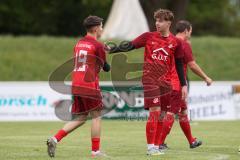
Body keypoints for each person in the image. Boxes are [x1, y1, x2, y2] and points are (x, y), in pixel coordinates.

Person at [108, 9, 187, 155]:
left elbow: (179, 64)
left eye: (161, 20)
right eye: (156, 20)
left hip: (166, 82)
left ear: (169, 23)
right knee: (155, 111)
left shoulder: (176, 42)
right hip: (150, 79)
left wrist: (183, 85)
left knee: (163, 114)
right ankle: (151, 147)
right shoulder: (148, 37)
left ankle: (156, 146)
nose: (157, 23)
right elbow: (130, 45)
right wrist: (112, 49)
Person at [46, 15, 110, 158]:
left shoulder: (79, 43)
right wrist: (105, 53)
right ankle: (95, 152)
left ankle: (55, 139)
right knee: (96, 117)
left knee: (81, 117)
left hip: (77, 84)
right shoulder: (98, 45)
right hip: (89, 85)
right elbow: (106, 67)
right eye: (101, 26)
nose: (102, 29)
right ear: (95, 28)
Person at [160, 20, 212, 148]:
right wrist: (206, 78)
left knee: (182, 111)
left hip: (163, 81)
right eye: (190, 31)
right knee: (171, 112)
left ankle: (191, 141)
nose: (190, 34)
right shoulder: (183, 44)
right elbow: (192, 64)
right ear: (186, 31)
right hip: (176, 83)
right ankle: (158, 143)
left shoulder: (168, 41)